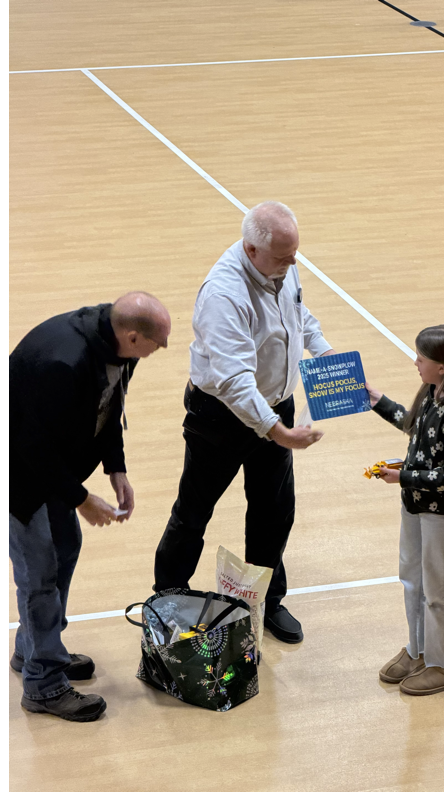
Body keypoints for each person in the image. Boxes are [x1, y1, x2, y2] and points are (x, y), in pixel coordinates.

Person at [154, 201, 334, 643]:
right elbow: (233, 380)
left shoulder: (282, 264)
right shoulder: (223, 294)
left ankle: (266, 601)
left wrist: (331, 360)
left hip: (276, 407)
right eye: (284, 256)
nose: (294, 263)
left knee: (275, 511)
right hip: (220, 418)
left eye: (295, 254)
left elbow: (299, 316)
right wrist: (279, 431)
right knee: (194, 511)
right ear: (251, 250)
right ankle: (166, 600)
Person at [9, 292, 171, 721]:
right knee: (40, 572)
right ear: (134, 336)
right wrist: (81, 499)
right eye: (158, 344)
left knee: (65, 549)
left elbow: (109, 405)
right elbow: (29, 446)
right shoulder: (62, 363)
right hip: (19, 476)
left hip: (51, 467)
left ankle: (36, 650)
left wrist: (115, 468)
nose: (159, 352)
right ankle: (43, 686)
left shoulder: (117, 346)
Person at [366, 324, 444, 695]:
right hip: (416, 505)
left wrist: (403, 477)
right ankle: (420, 651)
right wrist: (378, 401)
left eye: (423, 357)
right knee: (414, 582)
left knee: (441, 588)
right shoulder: (432, 393)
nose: (415, 361)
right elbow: (414, 427)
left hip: (441, 513)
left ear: (443, 366)